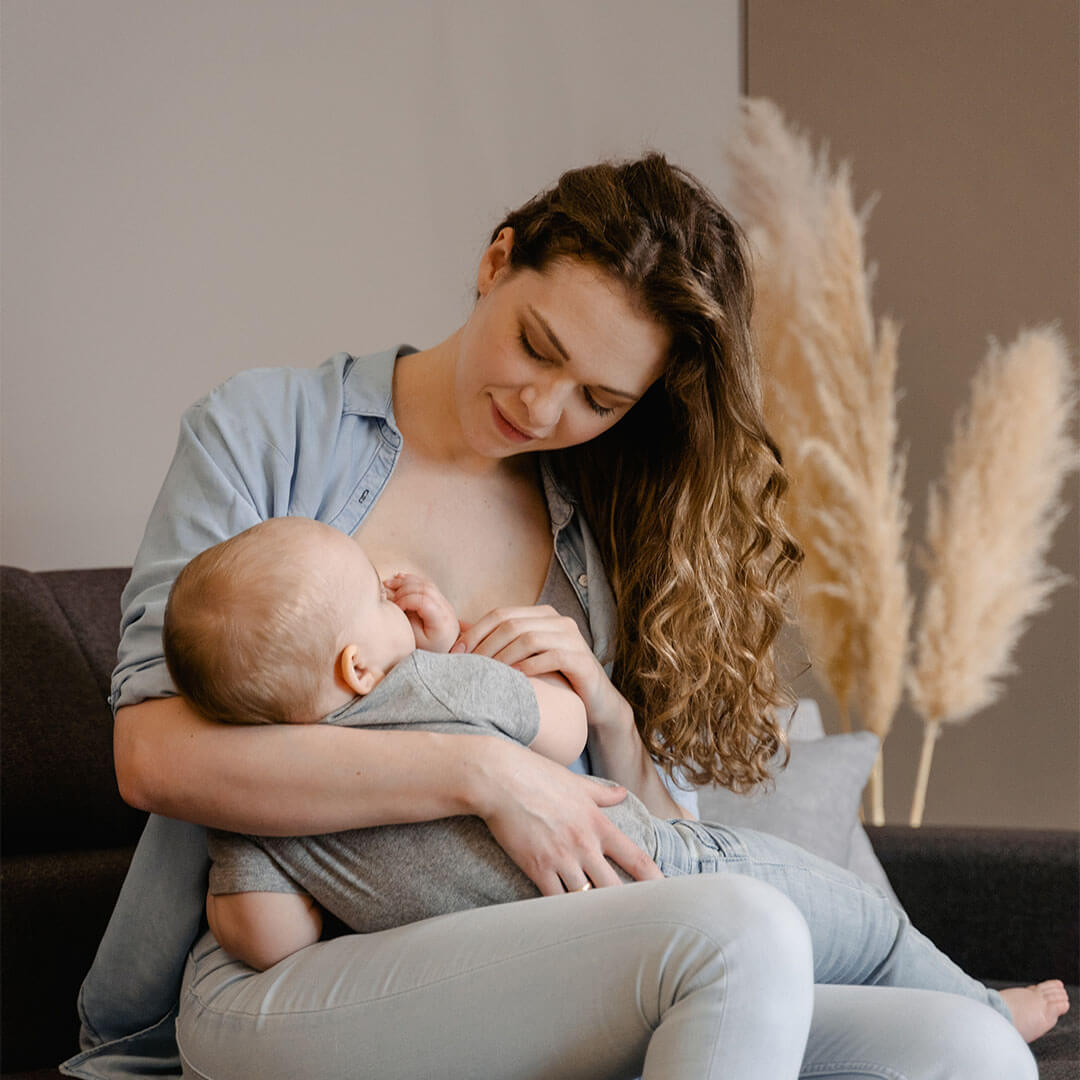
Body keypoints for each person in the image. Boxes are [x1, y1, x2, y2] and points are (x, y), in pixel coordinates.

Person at [65, 154, 1045, 1080]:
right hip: (289, 978)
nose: (543, 409)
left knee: (967, 1051)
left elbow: (649, 847)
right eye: (538, 346)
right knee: (744, 930)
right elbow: (156, 756)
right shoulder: (270, 431)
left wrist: (613, 724)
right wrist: (486, 772)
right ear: (497, 262)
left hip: (543, 951)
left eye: (600, 399)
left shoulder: (597, 519)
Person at [161, 514, 1067, 1048]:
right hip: (667, 870)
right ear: (361, 667)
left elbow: (264, 938)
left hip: (547, 966)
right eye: (374, 591)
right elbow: (556, 730)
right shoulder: (419, 683)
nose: (395, 590)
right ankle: (984, 1008)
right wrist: (446, 652)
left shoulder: (261, 811)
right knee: (864, 926)